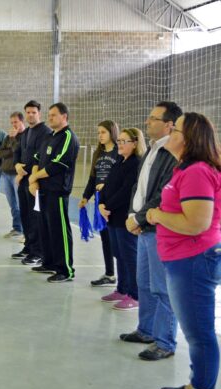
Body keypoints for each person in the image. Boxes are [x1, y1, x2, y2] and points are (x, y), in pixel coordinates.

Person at [146, 112, 221, 389]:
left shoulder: (197, 172)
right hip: (184, 259)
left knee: (200, 332)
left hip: (193, 261)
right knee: (194, 331)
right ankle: (196, 384)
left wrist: (156, 215)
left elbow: (196, 223)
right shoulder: (186, 169)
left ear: (187, 138)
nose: (168, 131)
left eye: (174, 129)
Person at [119, 101, 182, 361]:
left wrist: (140, 219)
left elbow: (162, 194)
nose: (148, 122)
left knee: (161, 288)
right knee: (144, 284)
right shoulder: (153, 150)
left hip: (158, 230)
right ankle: (146, 330)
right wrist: (133, 216)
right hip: (143, 227)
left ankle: (165, 341)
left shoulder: (172, 154)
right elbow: (140, 186)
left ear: (169, 124)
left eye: (154, 118)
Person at [27, 103, 79, 283]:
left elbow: (57, 165)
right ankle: (49, 262)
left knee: (59, 230)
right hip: (42, 191)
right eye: (49, 115)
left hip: (57, 192)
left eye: (53, 115)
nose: (50, 118)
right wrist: (34, 179)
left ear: (64, 117)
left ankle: (65, 270)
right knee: (45, 228)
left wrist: (33, 178)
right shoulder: (49, 136)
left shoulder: (68, 137)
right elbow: (36, 158)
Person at [98, 128, 144, 311]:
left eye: (124, 141)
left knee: (129, 256)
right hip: (112, 216)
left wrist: (107, 206)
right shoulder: (119, 161)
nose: (120, 145)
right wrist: (101, 204)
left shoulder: (135, 164)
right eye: (119, 141)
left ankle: (135, 294)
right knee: (118, 253)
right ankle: (122, 289)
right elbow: (107, 185)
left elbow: (126, 192)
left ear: (134, 143)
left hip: (124, 216)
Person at [79, 121, 119, 287]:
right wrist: (85, 197)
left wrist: (107, 186)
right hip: (99, 201)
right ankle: (109, 274)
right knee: (105, 238)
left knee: (118, 240)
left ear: (111, 133)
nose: (100, 135)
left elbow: (120, 178)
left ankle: (125, 276)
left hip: (114, 201)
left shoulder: (118, 153)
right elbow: (92, 178)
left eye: (103, 132)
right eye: (98, 132)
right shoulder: (98, 153)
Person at [13, 100, 52, 264]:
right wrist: (17, 166)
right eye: (28, 112)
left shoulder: (45, 132)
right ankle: (28, 247)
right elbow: (18, 152)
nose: (30, 115)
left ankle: (38, 252)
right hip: (23, 180)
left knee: (35, 216)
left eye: (33, 112)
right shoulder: (25, 132)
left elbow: (41, 157)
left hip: (35, 181)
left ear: (39, 114)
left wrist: (25, 171)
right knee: (25, 214)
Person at [0, 113, 25, 238]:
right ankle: (17, 228)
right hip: (5, 174)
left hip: (17, 175)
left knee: (21, 204)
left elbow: (19, 152)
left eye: (16, 122)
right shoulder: (8, 137)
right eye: (12, 122)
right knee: (12, 204)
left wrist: (13, 140)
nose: (14, 125)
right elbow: (0, 153)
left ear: (21, 121)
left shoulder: (24, 136)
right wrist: (10, 148)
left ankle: (26, 232)